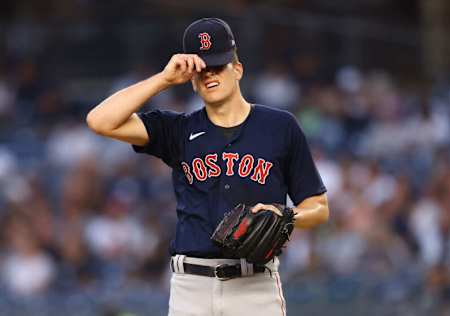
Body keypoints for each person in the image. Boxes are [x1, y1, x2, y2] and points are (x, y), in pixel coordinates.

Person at [86, 17, 329, 316]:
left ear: (238, 69)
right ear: (190, 79)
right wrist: (163, 79)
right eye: (201, 70)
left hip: (254, 287)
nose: (209, 75)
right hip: (191, 288)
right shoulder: (177, 130)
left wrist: (288, 215)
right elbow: (99, 120)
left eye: (218, 66)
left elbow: (319, 207)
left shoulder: (280, 127)